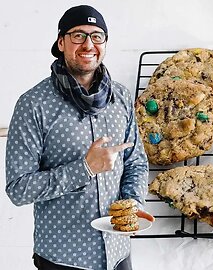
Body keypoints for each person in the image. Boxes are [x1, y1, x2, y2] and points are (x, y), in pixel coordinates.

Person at [5, 5, 154, 270]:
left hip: (118, 254)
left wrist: (131, 203)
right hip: (63, 259)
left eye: (97, 36)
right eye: (78, 35)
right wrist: (85, 168)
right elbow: (19, 188)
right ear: (61, 42)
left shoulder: (120, 97)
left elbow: (136, 162)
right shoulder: (33, 104)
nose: (88, 44)